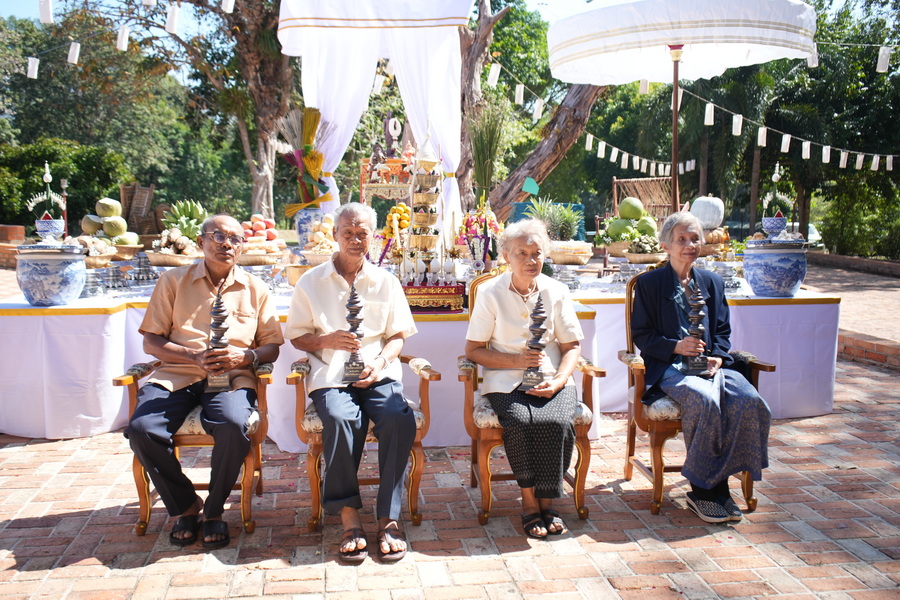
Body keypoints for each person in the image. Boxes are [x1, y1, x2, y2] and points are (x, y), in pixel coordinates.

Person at [125, 215, 284, 549]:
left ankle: (213, 510)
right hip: (178, 373)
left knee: (233, 423)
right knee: (141, 429)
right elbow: (151, 342)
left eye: (235, 239)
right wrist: (192, 356)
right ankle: (184, 504)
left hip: (231, 376)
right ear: (201, 242)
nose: (226, 244)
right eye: (218, 236)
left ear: (242, 247)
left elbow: (272, 345)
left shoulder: (256, 288)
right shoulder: (173, 281)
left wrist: (245, 358)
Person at [285, 202, 417, 563]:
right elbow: (297, 337)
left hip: (377, 371)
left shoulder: (386, 281)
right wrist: (326, 340)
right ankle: (348, 516)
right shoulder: (310, 282)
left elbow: (398, 337)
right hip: (330, 373)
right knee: (343, 420)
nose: (356, 240)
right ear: (335, 236)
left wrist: (382, 360)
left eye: (363, 234)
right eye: (349, 234)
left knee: (398, 419)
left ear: (373, 237)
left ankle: (388, 518)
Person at [631, 211, 771, 523]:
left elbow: (722, 332)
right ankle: (705, 490)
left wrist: (719, 357)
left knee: (749, 400)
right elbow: (642, 335)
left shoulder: (713, 282)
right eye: (681, 239)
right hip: (670, 367)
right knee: (705, 401)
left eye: (694, 238)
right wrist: (676, 346)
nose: (689, 244)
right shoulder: (650, 284)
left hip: (711, 367)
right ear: (666, 245)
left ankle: (721, 486)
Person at [464, 218, 584, 539]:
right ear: (506, 255)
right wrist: (516, 360)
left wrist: (559, 381)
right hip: (505, 379)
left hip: (552, 377)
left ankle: (549, 502)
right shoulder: (490, 293)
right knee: (518, 422)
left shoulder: (556, 290)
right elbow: (474, 350)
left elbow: (571, 346)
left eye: (537, 253)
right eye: (522, 253)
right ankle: (529, 502)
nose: (531, 261)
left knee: (556, 423)